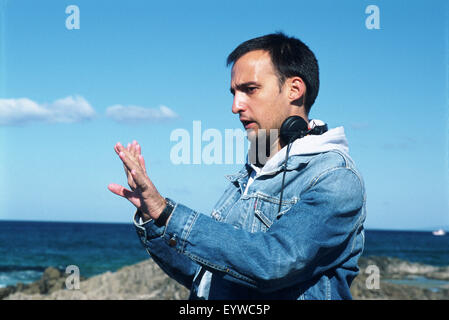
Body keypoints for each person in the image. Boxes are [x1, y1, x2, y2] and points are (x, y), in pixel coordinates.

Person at [108, 32, 366, 300]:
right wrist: (153, 218)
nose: (235, 106)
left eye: (250, 90)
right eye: (234, 93)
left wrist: (168, 213)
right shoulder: (251, 172)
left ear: (294, 89)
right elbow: (206, 275)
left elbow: (273, 263)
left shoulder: (335, 177)